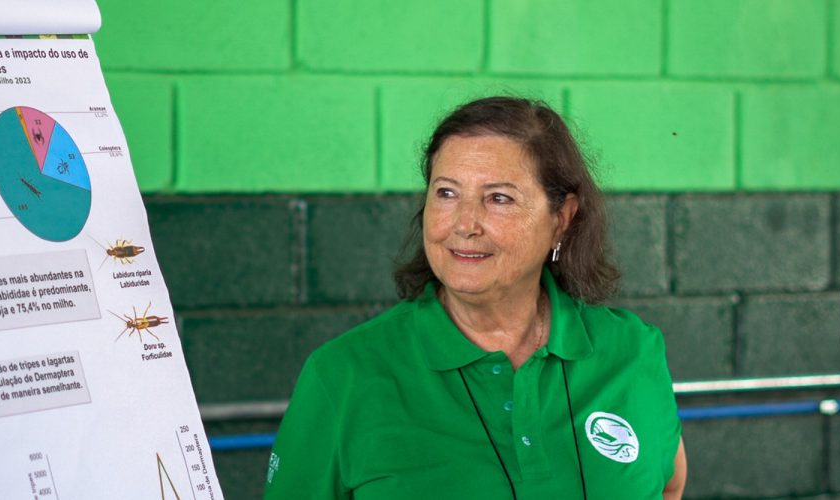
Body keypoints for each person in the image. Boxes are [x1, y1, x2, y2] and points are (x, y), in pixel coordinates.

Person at [264, 96, 687, 499]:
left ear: (561, 218)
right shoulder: (343, 375)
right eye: (446, 193)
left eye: (498, 198)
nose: (465, 224)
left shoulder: (632, 351)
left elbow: (667, 486)